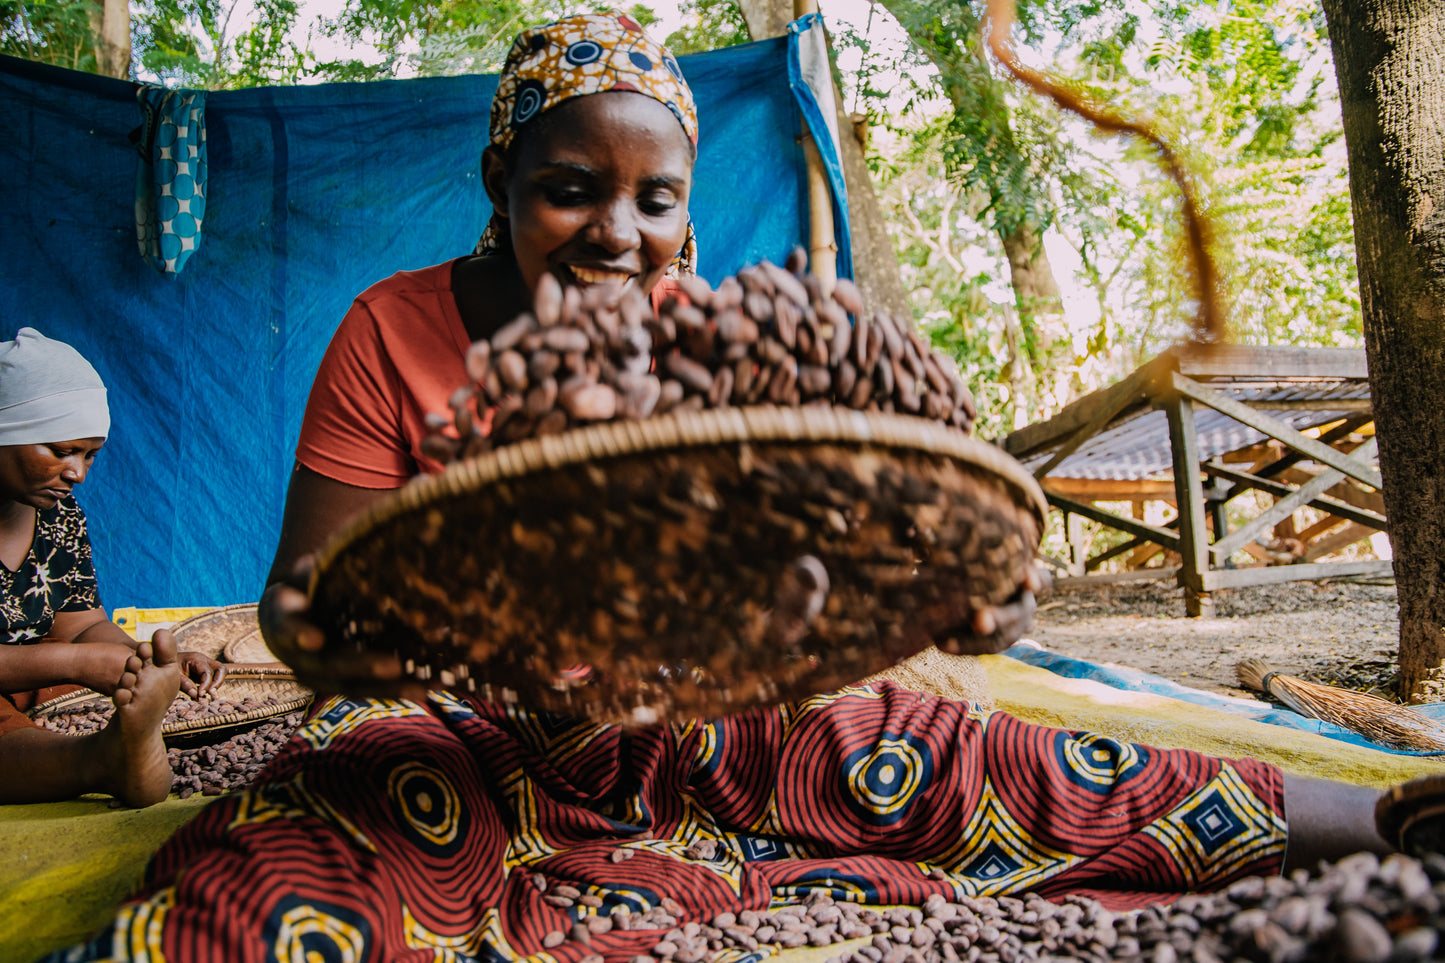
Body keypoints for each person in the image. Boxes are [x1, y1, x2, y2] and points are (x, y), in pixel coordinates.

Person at [42, 13, 1394, 962]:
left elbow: (814, 565)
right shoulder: (391, 329)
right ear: (500, 180)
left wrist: (912, 601)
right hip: (461, 731)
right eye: (570, 188)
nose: (615, 233)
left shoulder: (710, 339)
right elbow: (299, 612)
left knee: (961, 751)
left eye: (653, 199)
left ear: (687, 207)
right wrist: (471, 622)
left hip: (698, 719)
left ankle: (1389, 812)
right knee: (275, 854)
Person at [0, 328, 226, 807]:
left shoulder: (59, 515)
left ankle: (120, 742)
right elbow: (75, 653)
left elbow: (81, 626)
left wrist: (144, 660)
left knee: (86, 674)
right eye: (60, 451)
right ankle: (99, 761)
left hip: (23, 682)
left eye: (89, 455)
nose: (77, 473)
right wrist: (78, 663)